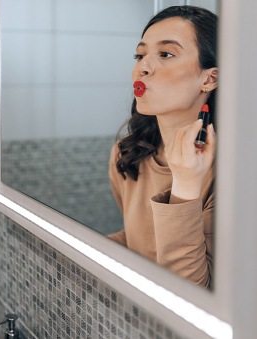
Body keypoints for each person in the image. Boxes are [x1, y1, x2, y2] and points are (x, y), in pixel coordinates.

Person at [108, 6, 217, 288]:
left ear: (209, 79)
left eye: (166, 54)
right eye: (140, 54)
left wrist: (185, 186)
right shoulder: (127, 153)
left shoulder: (235, 173)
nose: (142, 67)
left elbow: (195, 293)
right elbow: (142, 242)